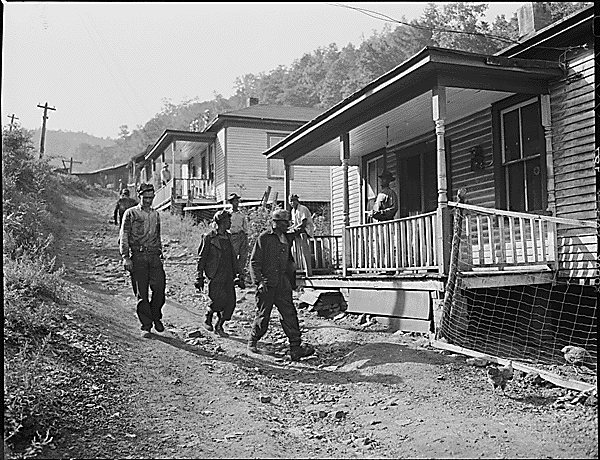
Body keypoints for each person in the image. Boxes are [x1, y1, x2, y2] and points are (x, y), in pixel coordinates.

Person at [247, 209, 315, 361]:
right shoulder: (264, 238)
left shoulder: (286, 237)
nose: (287, 226)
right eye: (284, 223)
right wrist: (259, 281)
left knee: (289, 315)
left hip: (283, 284)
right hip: (267, 284)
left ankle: (295, 348)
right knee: (263, 316)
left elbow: (297, 231)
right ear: (275, 223)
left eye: (288, 223)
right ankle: (253, 341)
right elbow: (254, 262)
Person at [119, 183, 166, 338]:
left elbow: (157, 236)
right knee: (142, 293)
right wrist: (125, 257)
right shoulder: (130, 213)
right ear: (139, 196)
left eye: (150, 198)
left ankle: (156, 316)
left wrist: (160, 253)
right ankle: (146, 324)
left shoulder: (155, 214)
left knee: (159, 289)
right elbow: (124, 235)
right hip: (138, 256)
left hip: (154, 256)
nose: (148, 201)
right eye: (145, 198)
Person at [194, 210, 240, 337]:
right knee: (218, 300)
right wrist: (199, 276)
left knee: (231, 303)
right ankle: (208, 315)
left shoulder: (229, 236)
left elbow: (232, 256)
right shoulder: (209, 237)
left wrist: (239, 274)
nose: (230, 223)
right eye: (228, 221)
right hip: (215, 273)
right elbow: (201, 258)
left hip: (228, 274)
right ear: (222, 222)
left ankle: (219, 325)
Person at [289, 194, 314, 276]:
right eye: (290, 201)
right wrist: (289, 228)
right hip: (299, 229)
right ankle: (296, 264)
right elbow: (294, 223)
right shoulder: (293, 211)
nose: (292, 203)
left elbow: (303, 223)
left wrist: (294, 229)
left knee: (294, 233)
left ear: (297, 201)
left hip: (306, 229)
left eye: (293, 200)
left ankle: (306, 269)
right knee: (289, 234)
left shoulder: (302, 209)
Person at [227, 193, 249, 283]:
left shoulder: (241, 214)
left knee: (243, 256)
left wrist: (246, 235)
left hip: (241, 235)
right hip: (232, 236)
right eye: (234, 201)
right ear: (231, 202)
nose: (236, 203)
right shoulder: (228, 213)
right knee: (233, 255)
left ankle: (241, 274)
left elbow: (245, 226)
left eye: (237, 201)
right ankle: (232, 274)